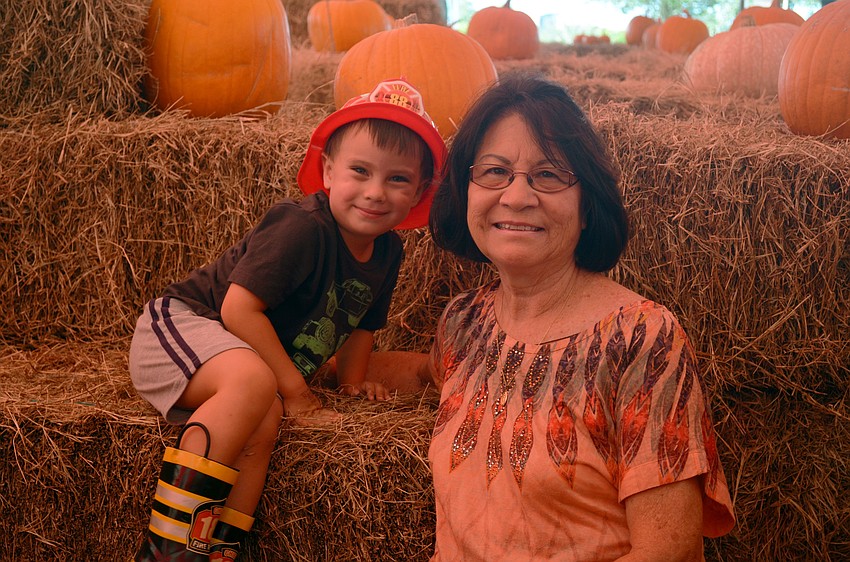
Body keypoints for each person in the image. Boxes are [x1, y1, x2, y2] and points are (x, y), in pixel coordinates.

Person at [368, 72, 736, 560]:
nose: (517, 197)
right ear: (466, 192)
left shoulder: (640, 338)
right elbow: (420, 373)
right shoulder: (464, 323)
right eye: (495, 172)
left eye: (549, 174)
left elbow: (669, 551)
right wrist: (299, 367)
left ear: (587, 207)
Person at [127, 78, 447, 562]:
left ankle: (214, 551)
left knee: (264, 416)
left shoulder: (388, 251)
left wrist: (355, 386)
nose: (375, 192)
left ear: (419, 192)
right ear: (328, 172)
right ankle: (167, 554)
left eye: (397, 179)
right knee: (263, 388)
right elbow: (237, 309)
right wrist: (299, 393)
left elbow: (361, 325)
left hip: (242, 356)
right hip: (183, 325)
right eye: (360, 171)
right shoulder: (302, 227)